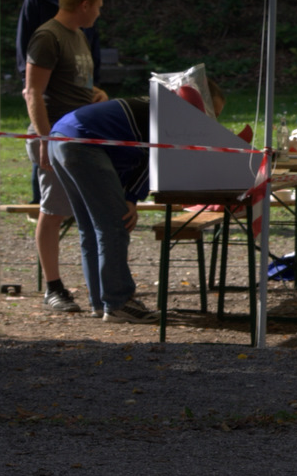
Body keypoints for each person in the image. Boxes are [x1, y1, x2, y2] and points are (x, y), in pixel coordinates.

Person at [50, 76, 227, 324]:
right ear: (199, 102)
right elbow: (153, 159)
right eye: (211, 114)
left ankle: (101, 301)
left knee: (91, 227)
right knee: (114, 226)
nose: (212, 122)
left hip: (61, 136)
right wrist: (131, 197)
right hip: (83, 142)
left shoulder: (158, 108)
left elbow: (131, 155)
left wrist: (129, 196)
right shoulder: (172, 116)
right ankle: (119, 302)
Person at [23, 0, 108, 314]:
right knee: (53, 210)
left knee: (88, 212)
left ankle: (101, 290)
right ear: (84, 5)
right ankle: (53, 287)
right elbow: (33, 92)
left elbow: (76, 83)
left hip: (80, 136)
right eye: (98, 5)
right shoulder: (47, 36)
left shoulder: (78, 35)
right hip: (55, 136)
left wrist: (96, 94)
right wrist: (46, 139)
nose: (100, 12)